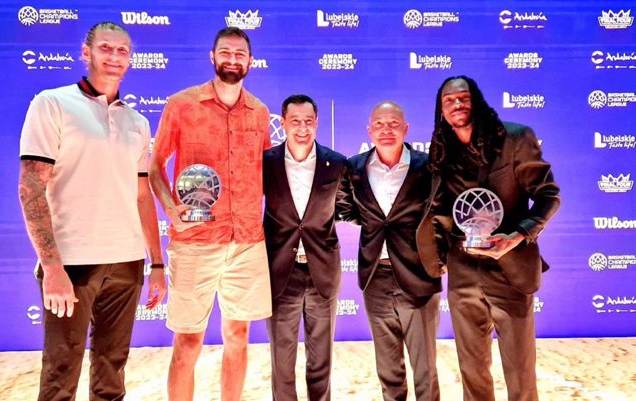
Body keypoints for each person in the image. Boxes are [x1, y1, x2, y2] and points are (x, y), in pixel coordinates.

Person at [18, 22, 166, 401]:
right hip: (73, 262)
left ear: (130, 59)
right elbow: (31, 186)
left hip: (127, 261)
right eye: (106, 48)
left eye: (122, 51)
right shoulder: (52, 103)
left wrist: (157, 263)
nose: (114, 56)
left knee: (112, 370)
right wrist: (51, 266)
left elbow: (141, 196)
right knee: (61, 371)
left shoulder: (137, 122)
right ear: (86, 53)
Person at [416, 75, 560, 401]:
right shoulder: (442, 150)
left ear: (476, 100)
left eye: (463, 98)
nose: (456, 105)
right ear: (441, 110)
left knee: (520, 372)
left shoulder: (515, 138)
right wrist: (439, 258)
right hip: (463, 272)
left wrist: (519, 235)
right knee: (472, 371)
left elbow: (549, 196)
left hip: (510, 270)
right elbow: (438, 210)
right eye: (448, 101)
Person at [149, 27, 272, 401]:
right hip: (195, 243)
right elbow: (155, 166)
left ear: (250, 62)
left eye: (240, 54)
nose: (232, 59)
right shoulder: (182, 105)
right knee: (188, 341)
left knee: (238, 336)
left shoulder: (261, 113)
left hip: (248, 242)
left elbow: (267, 173)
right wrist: (171, 209)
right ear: (212, 56)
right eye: (226, 52)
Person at [337, 101, 441, 401]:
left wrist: (441, 257)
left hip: (419, 276)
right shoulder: (354, 167)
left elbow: (441, 213)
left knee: (425, 368)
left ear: (405, 129)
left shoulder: (428, 166)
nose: (386, 129)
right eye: (379, 124)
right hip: (375, 278)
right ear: (369, 130)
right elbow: (349, 210)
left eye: (393, 123)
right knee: (387, 366)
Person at [263, 94, 349, 401]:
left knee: (321, 362)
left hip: (322, 275)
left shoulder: (337, 163)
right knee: (282, 364)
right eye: (295, 121)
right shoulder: (266, 162)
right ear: (283, 122)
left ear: (317, 123)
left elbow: (347, 207)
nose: (302, 128)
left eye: (309, 121)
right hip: (278, 274)